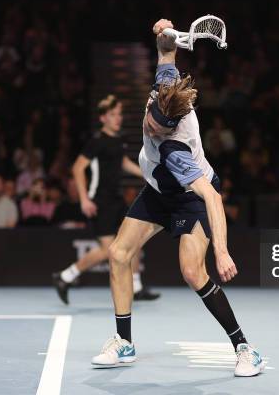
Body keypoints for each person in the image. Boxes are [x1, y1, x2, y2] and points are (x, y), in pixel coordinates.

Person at [90, 19, 264, 377]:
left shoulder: (176, 151)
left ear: (171, 127)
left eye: (156, 127)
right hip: (157, 191)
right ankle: (124, 342)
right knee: (119, 254)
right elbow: (166, 51)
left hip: (189, 198)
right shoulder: (164, 90)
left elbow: (213, 198)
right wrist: (164, 32)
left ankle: (245, 348)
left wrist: (222, 251)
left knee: (191, 271)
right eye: (150, 119)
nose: (149, 127)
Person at [52, 94, 159, 304]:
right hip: (100, 202)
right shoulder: (96, 142)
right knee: (107, 250)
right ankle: (65, 276)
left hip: (117, 200)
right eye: (112, 114)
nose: (117, 118)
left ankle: (136, 287)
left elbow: (123, 164)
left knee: (135, 239)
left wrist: (148, 175)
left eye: (119, 114)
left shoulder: (118, 140)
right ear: (103, 118)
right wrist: (84, 199)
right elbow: (77, 168)